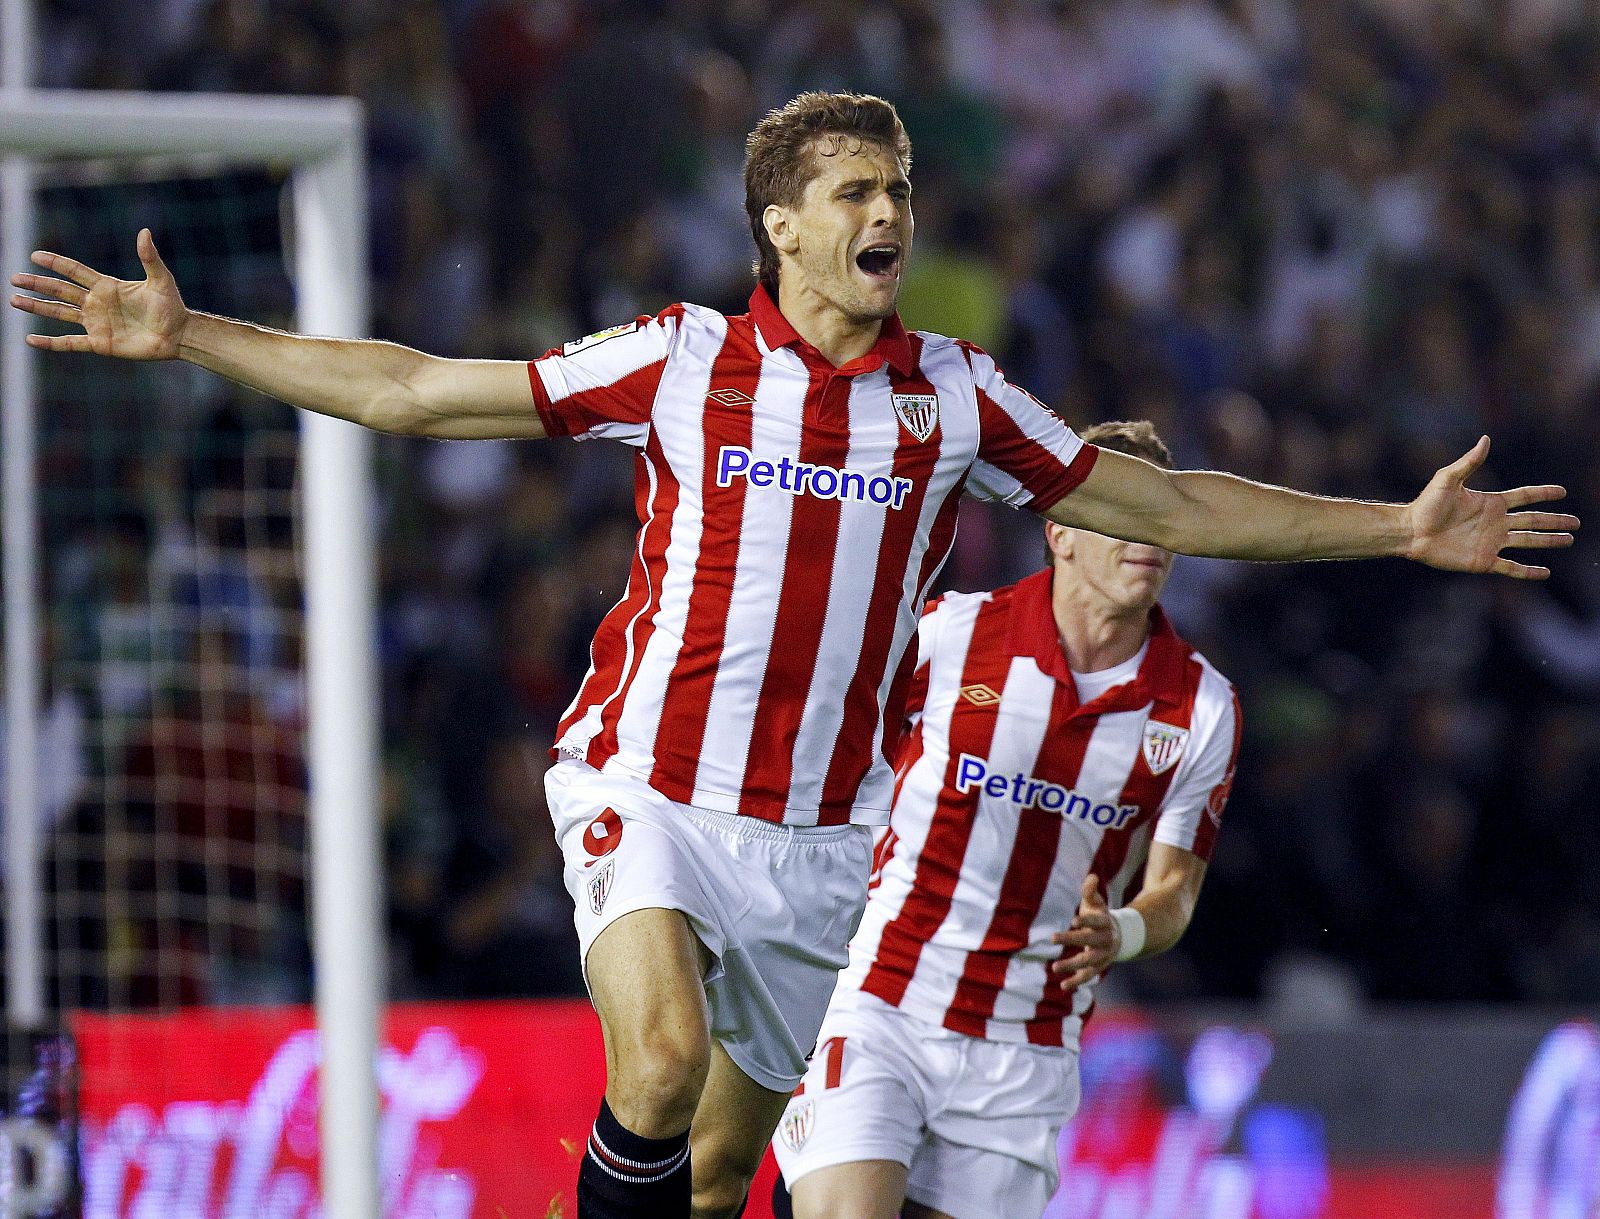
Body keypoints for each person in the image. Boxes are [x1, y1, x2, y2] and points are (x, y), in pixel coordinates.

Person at [8, 92, 1576, 1219]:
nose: (888, 214)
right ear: (779, 222)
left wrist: (1395, 526)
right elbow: (420, 389)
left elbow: (1165, 500)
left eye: (897, 188)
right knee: (662, 1057)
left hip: (826, 844)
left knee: (710, 1170)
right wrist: (197, 331)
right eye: (852, 193)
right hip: (648, 777)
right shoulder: (683, 359)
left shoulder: (956, 398)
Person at [770, 419, 1234, 1219]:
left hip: (1024, 1050)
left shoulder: (1200, 706)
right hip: (882, 1000)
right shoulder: (952, 634)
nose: (1150, 536)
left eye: (1164, 517)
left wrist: (1120, 931)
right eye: (1128, 511)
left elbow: (1175, 893)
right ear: (1059, 531)